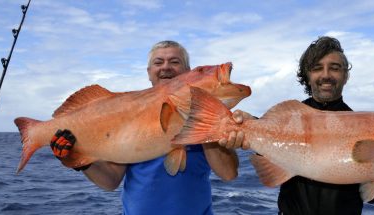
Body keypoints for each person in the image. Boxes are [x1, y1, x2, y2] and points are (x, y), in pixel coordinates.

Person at [221, 36, 374, 215]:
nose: (326, 75)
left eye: (335, 68)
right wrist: (246, 126)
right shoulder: (287, 119)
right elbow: (266, 134)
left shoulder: (365, 125)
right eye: (317, 68)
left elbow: (369, 195)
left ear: (345, 75)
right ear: (308, 75)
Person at [50, 40, 240, 215]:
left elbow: (228, 174)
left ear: (187, 71)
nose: (166, 67)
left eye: (174, 62)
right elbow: (110, 181)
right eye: (158, 62)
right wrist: (80, 161)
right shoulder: (126, 112)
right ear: (149, 72)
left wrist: (205, 119)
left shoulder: (214, 116)